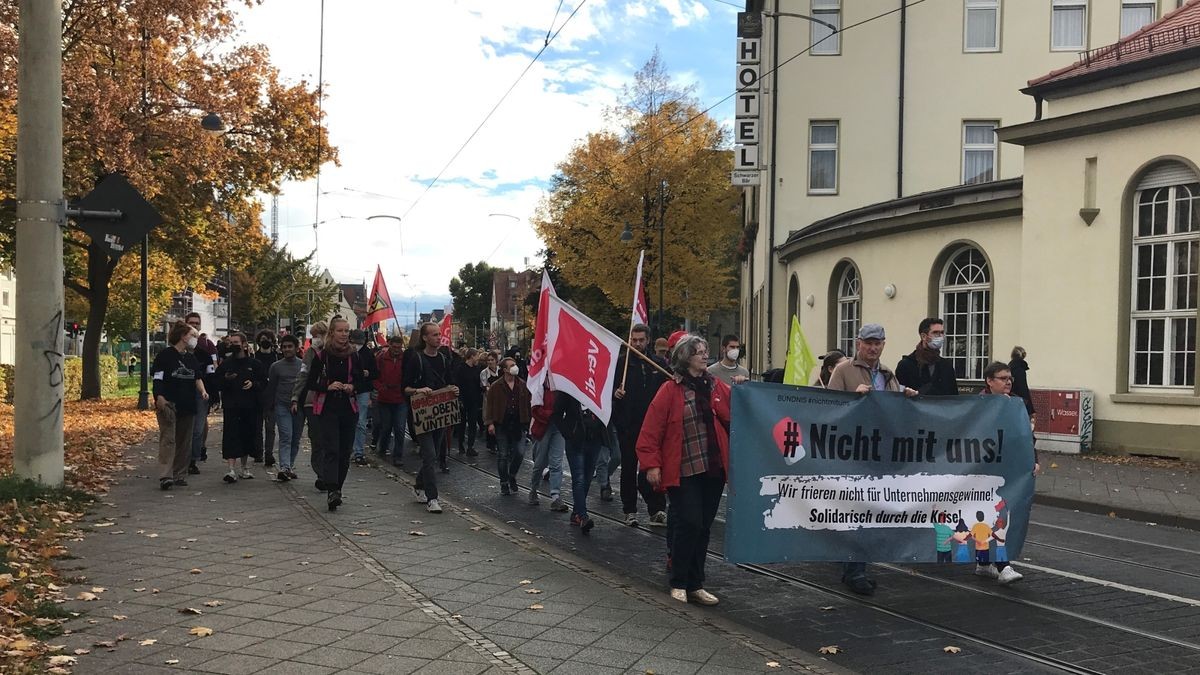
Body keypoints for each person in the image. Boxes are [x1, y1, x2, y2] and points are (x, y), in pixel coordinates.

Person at [637, 334, 730, 606]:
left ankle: (696, 583)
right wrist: (652, 464)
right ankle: (678, 580)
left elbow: (737, 408)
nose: (705, 355)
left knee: (703, 528)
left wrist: (742, 388)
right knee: (689, 522)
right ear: (686, 357)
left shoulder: (715, 387)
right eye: (699, 352)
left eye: (705, 351)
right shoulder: (669, 390)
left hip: (712, 469)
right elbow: (651, 430)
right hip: (683, 469)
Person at [826, 323, 918, 595]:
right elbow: (828, 408)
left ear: (883, 345)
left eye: (878, 343)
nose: (873, 348)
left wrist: (906, 397)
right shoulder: (844, 370)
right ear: (858, 343)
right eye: (868, 342)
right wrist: (853, 399)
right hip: (851, 452)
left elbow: (895, 412)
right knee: (856, 512)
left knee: (868, 512)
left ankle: (853, 566)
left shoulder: (888, 374)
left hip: (879, 451)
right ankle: (855, 570)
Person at [976, 359, 1041, 585]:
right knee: (989, 516)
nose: (1008, 382)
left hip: (1008, 468)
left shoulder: (1016, 403)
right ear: (989, 381)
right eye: (1003, 378)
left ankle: (986, 562)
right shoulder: (978, 404)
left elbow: (1026, 436)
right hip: (983, 469)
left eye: (1010, 379)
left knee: (1002, 515)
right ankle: (1001, 565)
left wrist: (1034, 459)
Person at [305, 318, 369, 511]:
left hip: (348, 408)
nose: (344, 334)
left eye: (347, 331)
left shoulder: (354, 356)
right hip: (327, 408)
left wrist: (353, 386)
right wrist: (327, 386)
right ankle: (331, 489)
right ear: (332, 333)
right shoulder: (322, 356)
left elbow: (364, 382)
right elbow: (310, 382)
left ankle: (338, 488)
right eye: (340, 331)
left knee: (344, 451)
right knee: (331, 449)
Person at [613, 323, 668, 527]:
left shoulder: (657, 364)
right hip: (628, 425)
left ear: (648, 341)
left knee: (652, 468)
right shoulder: (622, 364)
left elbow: (670, 384)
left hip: (652, 427)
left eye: (641, 340)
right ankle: (629, 509)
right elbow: (607, 389)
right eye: (634, 340)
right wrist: (615, 394)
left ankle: (657, 508)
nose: (637, 344)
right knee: (628, 467)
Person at [404, 322, 458, 513]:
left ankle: (419, 485)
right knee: (429, 455)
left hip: (440, 413)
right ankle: (432, 498)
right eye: (434, 334)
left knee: (432, 455)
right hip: (423, 415)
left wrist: (453, 389)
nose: (438, 337)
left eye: (439, 334)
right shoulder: (416, 359)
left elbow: (450, 382)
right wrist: (419, 390)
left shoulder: (444, 359)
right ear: (425, 338)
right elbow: (406, 387)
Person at [151, 321, 208, 490]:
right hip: (169, 403)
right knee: (168, 439)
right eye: (193, 336)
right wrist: (159, 396)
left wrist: (203, 391)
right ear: (183, 337)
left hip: (188, 403)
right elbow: (158, 378)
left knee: (184, 441)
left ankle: (179, 474)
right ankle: (165, 475)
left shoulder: (191, 358)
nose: (195, 339)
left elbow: (197, 377)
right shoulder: (165, 356)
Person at [215, 332, 267, 483]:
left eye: (236, 342)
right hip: (232, 406)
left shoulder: (255, 364)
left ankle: (244, 467)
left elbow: (264, 382)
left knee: (247, 436)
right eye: (231, 342)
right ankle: (231, 469)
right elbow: (217, 382)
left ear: (244, 344)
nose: (234, 345)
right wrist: (226, 379)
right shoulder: (226, 364)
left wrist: (254, 384)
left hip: (250, 407)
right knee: (231, 436)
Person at [552, 390, 606, 533]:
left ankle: (576, 513)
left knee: (587, 479)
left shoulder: (596, 387)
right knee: (579, 479)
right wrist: (569, 433)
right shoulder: (568, 390)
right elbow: (556, 414)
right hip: (576, 442)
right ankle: (582, 516)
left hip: (594, 440)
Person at [485, 357, 531, 495]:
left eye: (515, 365)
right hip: (502, 424)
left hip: (519, 424)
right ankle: (504, 482)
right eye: (511, 365)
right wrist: (490, 423)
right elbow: (490, 405)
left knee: (520, 452)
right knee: (503, 455)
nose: (514, 367)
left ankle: (512, 475)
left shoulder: (522, 384)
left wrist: (529, 422)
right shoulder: (496, 386)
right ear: (504, 369)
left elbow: (528, 404)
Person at [291, 320, 329, 490]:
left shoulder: (332, 352)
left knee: (327, 438)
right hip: (311, 400)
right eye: (313, 336)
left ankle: (328, 472)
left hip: (329, 399)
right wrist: (295, 396)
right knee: (317, 437)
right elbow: (303, 375)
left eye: (317, 336)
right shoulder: (309, 353)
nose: (315, 339)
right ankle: (321, 473)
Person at [267, 334, 304, 482]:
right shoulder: (276, 367)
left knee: (295, 438)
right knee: (286, 436)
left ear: (296, 348)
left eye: (290, 347)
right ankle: (284, 467)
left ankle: (290, 465)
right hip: (281, 405)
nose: (287, 349)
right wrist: (269, 408)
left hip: (299, 407)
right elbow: (272, 387)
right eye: (284, 347)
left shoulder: (303, 365)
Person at [185, 312, 218, 473]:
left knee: (197, 429)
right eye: (191, 323)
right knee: (184, 428)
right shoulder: (177, 351)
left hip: (201, 394)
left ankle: (192, 460)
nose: (194, 325)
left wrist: (214, 395)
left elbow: (211, 374)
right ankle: (182, 458)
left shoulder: (205, 351)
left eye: (197, 323)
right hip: (182, 393)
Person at [527, 382, 568, 512]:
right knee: (540, 463)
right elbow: (535, 409)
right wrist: (551, 414)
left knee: (556, 462)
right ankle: (533, 489)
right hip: (543, 427)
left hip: (558, 426)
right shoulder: (539, 386)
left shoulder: (561, 385)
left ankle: (556, 496)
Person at [895, 318, 959, 396]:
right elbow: (899, 398)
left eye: (942, 333)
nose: (940, 336)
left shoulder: (946, 366)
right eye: (935, 333)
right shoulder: (906, 365)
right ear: (924, 336)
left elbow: (954, 398)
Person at [374, 334, 408, 467]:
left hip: (400, 398)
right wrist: (379, 387)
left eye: (399, 347)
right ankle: (383, 448)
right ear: (390, 346)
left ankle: (398, 455)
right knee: (386, 427)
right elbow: (374, 375)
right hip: (385, 398)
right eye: (394, 347)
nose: (396, 350)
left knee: (400, 428)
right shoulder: (381, 358)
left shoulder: (405, 359)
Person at [349, 329, 379, 466]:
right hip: (350, 390)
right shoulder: (348, 352)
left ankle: (359, 451)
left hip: (362, 390)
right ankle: (353, 450)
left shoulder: (367, 354)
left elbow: (376, 373)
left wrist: (368, 374)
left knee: (360, 422)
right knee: (352, 422)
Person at [253, 329, 280, 467]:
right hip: (257, 397)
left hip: (272, 397)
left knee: (270, 428)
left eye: (268, 339)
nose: (265, 341)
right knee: (257, 427)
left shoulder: (276, 358)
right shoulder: (253, 357)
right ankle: (258, 452)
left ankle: (268, 453)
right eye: (263, 339)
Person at [454, 348, 483, 458]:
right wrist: (459, 398)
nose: (478, 358)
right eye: (476, 356)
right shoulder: (461, 368)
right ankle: (461, 445)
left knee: (472, 424)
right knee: (461, 424)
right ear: (471, 356)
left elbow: (479, 384)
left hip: (474, 400)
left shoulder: (477, 369)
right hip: (463, 400)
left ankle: (470, 446)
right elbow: (457, 383)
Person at [1008, 346, 1036, 421]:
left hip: (1008, 401)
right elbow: (1023, 389)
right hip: (1020, 403)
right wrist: (1031, 410)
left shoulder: (1008, 368)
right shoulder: (1020, 370)